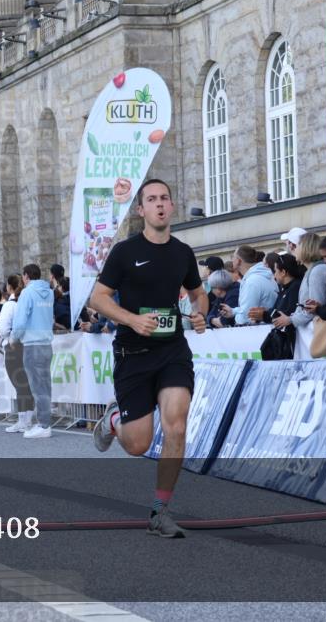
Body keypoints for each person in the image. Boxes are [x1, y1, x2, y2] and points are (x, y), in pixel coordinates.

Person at [89, 178, 209, 538]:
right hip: (133, 353)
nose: (159, 204)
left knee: (176, 426)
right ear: (141, 210)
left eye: (164, 198)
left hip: (172, 351)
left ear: (171, 207)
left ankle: (160, 511)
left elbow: (198, 294)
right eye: (152, 199)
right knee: (138, 444)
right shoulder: (125, 252)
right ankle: (114, 420)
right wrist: (131, 319)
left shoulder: (183, 252)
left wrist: (200, 313)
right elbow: (98, 298)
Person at [10, 264, 55, 439]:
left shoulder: (27, 293)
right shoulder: (49, 292)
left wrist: (13, 338)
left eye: (23, 276)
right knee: (44, 386)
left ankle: (44, 425)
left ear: (26, 276)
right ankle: (44, 422)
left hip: (32, 344)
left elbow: (20, 321)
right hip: (46, 343)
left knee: (38, 387)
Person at [0, 274, 34, 433]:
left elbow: (2, 329)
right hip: (29, 344)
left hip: (13, 346)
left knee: (20, 384)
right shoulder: (28, 302)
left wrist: (10, 336)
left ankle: (22, 421)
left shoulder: (9, 305)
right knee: (28, 384)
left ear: (9, 286)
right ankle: (28, 420)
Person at [218, 245, 276, 325]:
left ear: (238, 261)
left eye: (233, 257)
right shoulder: (260, 275)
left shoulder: (252, 282)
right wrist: (233, 311)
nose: (231, 260)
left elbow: (245, 318)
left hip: (261, 329)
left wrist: (236, 317)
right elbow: (248, 309)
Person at [251, 252, 304, 326]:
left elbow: (287, 314)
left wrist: (264, 315)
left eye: (275, 271)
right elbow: (276, 309)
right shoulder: (284, 288)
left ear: (283, 272)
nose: (274, 275)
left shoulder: (295, 287)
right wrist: (265, 312)